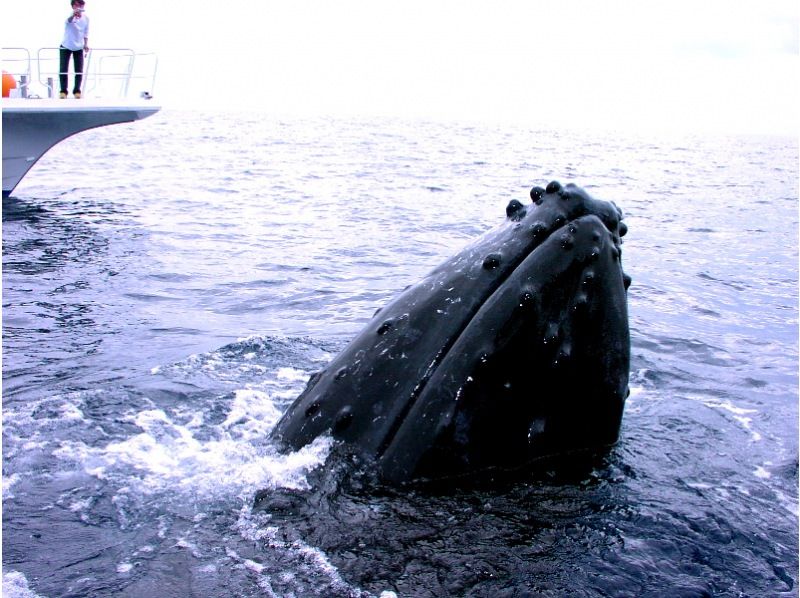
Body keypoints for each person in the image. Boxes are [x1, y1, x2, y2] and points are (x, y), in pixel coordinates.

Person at [59, 0, 90, 99]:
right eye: (77, 4)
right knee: (63, 69)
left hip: (79, 47)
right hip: (66, 45)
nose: (79, 6)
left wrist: (86, 44)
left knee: (79, 70)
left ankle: (77, 91)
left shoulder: (86, 19)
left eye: (81, 4)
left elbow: (86, 33)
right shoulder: (69, 15)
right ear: (73, 6)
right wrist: (74, 15)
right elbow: (68, 21)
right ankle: (63, 91)